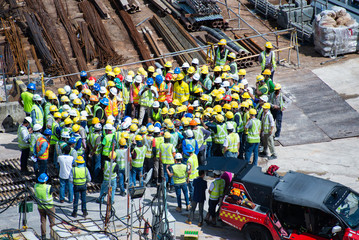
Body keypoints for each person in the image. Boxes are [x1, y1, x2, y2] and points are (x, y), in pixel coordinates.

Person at [34, 173, 55, 240]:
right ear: (45, 180)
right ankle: (52, 236)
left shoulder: (36, 186)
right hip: (49, 207)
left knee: (43, 221)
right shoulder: (48, 187)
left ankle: (43, 236)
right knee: (52, 222)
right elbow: (51, 193)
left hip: (40, 207)